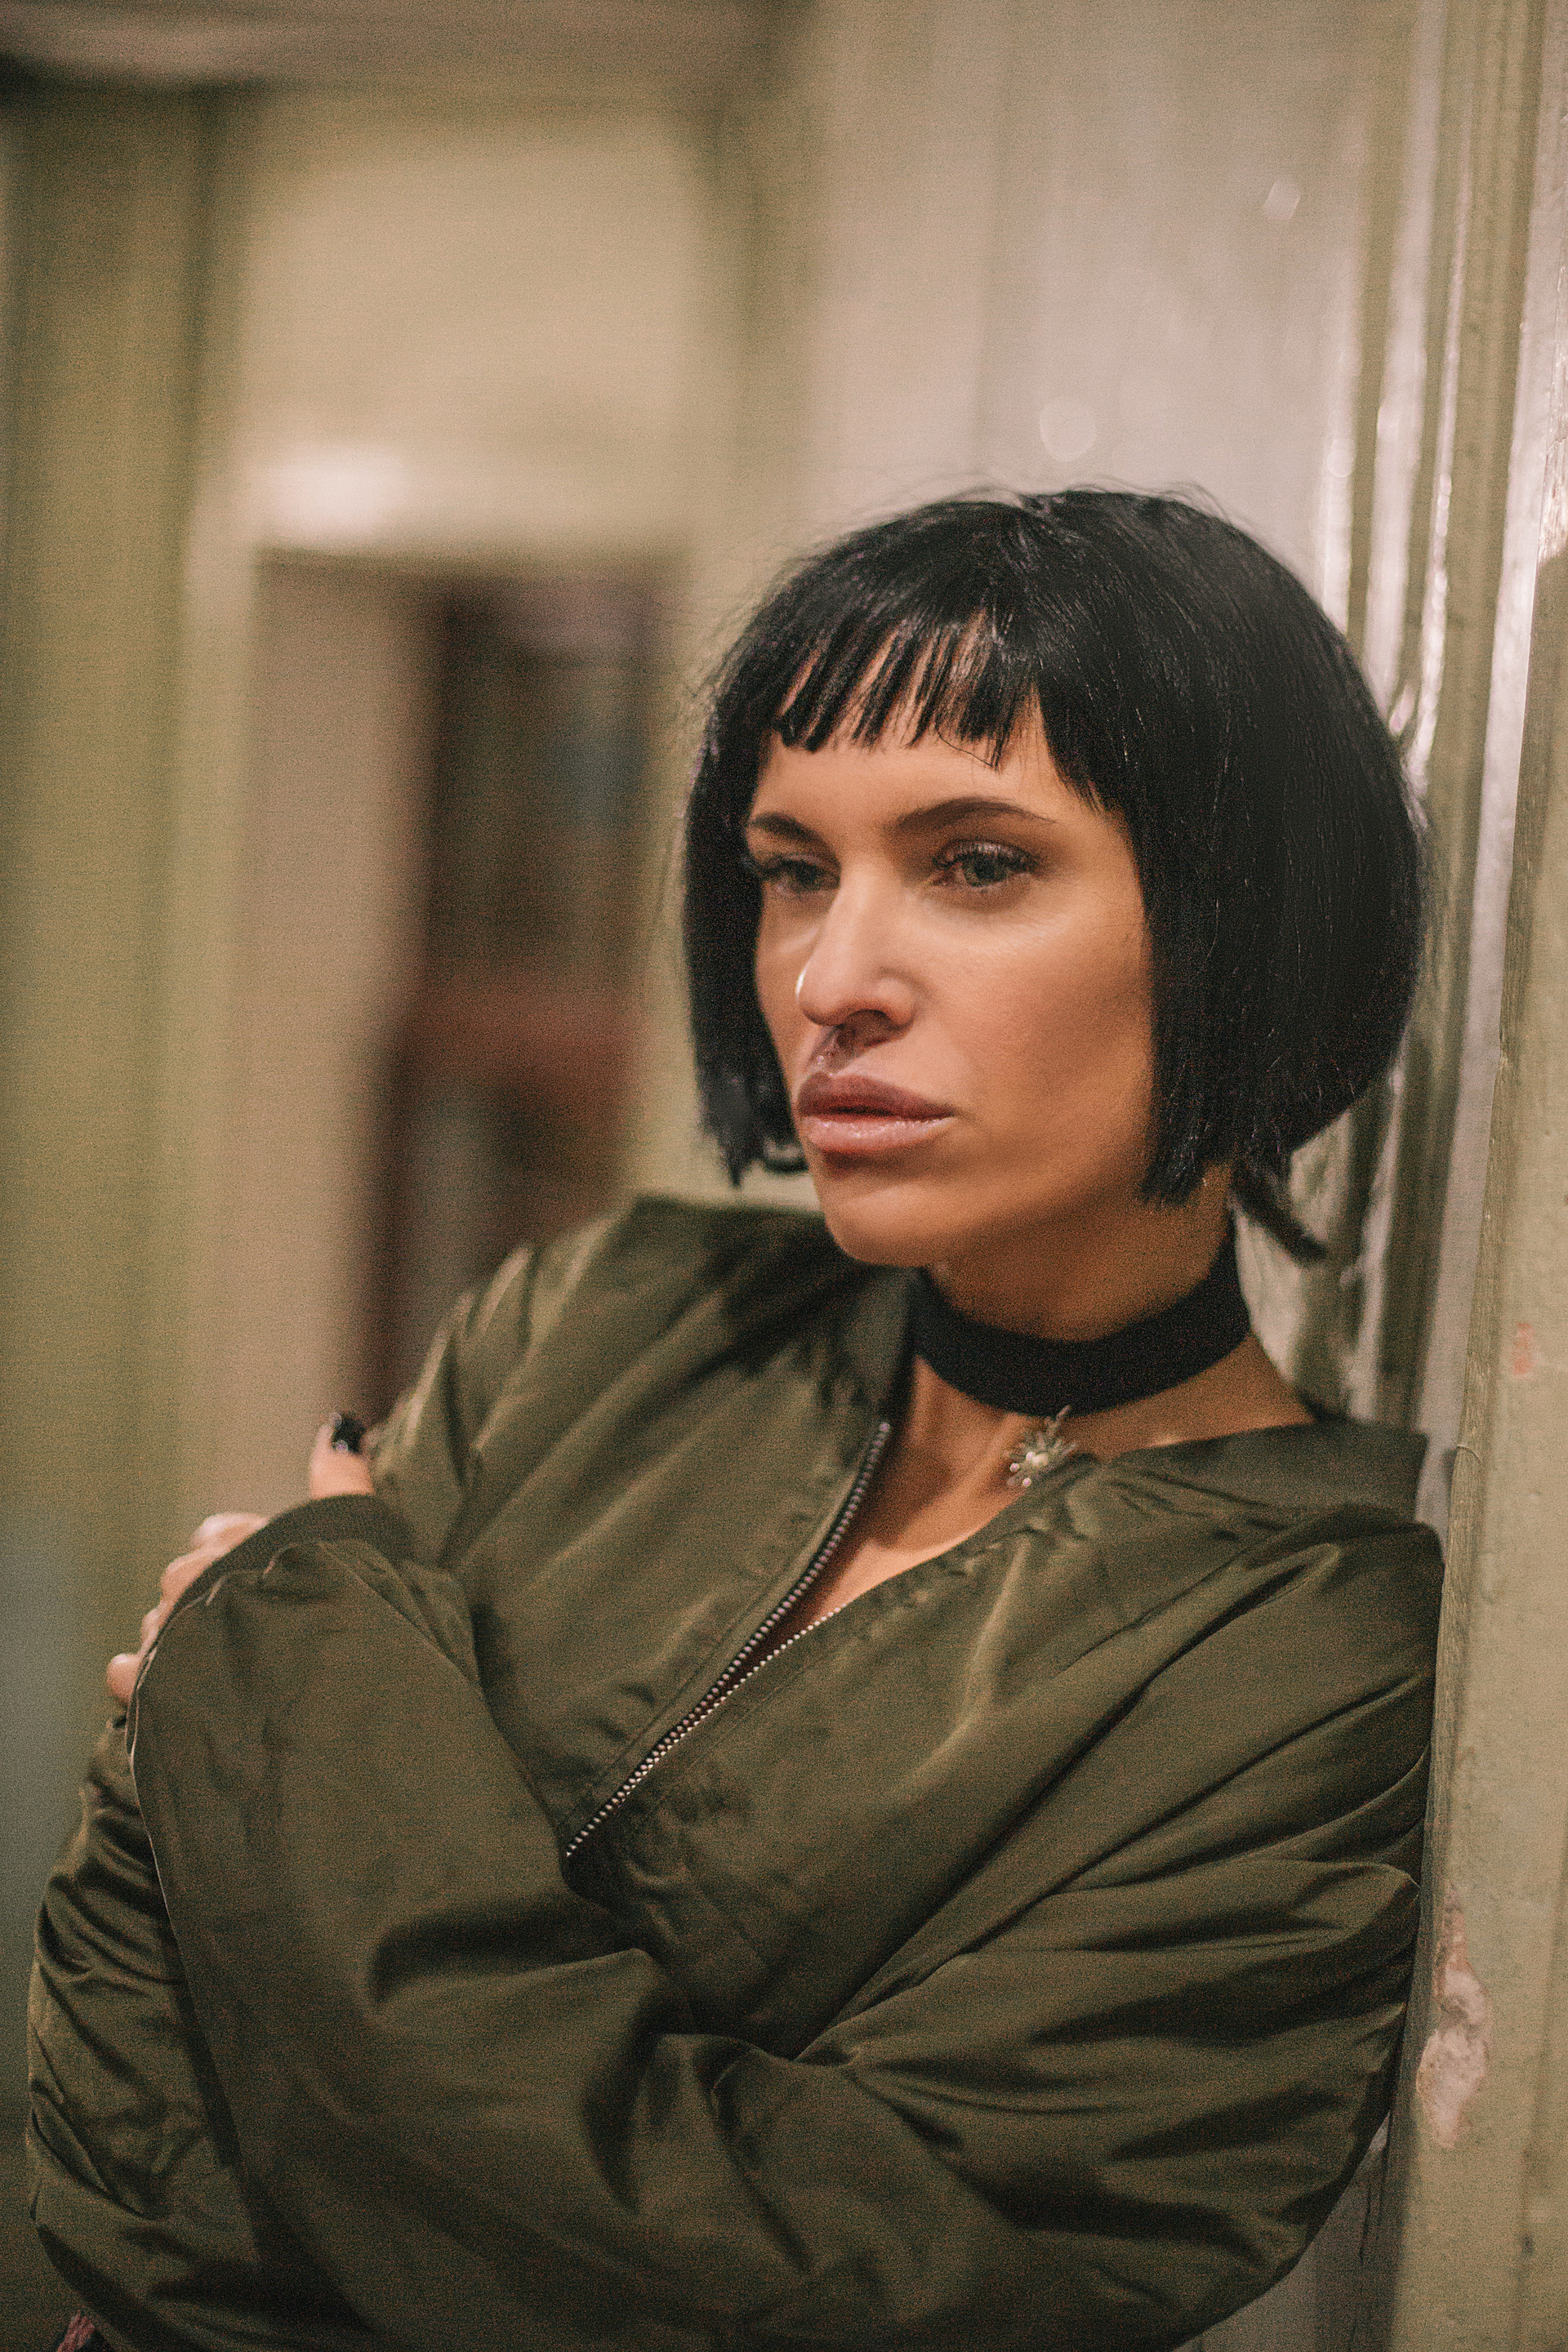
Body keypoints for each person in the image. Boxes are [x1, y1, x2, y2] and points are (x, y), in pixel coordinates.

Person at [30, 489, 1442, 2352]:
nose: (833, 980)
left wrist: (281, 1652)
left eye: (977, 865)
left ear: (1248, 923)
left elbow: (805, 2286)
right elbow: (119, 2042)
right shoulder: (610, 1318)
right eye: (792, 870)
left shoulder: (1309, 1656)